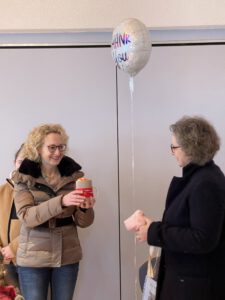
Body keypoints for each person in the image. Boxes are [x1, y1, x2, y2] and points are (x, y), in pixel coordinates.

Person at [136, 116, 225, 300]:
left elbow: (202, 239)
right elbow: (188, 224)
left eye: (174, 147)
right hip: (189, 280)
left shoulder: (205, 183)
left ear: (190, 148)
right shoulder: (202, 178)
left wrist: (154, 232)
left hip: (194, 287)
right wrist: (152, 226)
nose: (172, 152)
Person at [12, 124, 95, 300]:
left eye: (61, 147)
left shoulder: (75, 176)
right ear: (38, 149)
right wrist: (62, 201)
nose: (57, 152)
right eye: (52, 147)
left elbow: (83, 223)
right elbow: (27, 216)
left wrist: (85, 207)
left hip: (67, 256)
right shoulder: (23, 176)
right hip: (33, 259)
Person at [0, 144, 24, 289]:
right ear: (15, 162)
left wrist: (13, 247)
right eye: (21, 161)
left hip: (31, 263)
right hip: (5, 263)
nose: (24, 166)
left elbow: (40, 228)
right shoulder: (1, 192)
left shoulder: (40, 194)